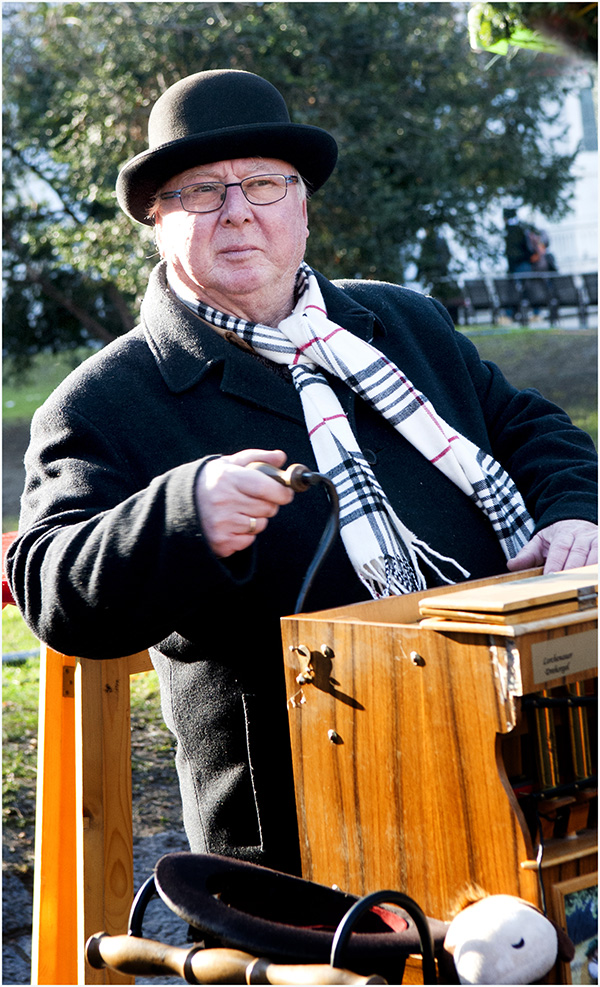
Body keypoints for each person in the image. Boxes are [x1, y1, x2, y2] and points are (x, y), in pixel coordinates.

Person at [7, 69, 597, 876]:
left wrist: (573, 510)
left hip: (523, 763)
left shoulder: (403, 323)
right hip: (302, 835)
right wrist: (183, 513)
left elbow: (534, 429)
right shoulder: (108, 399)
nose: (239, 210)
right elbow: (48, 582)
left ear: (302, 206)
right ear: (156, 219)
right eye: (202, 192)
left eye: (262, 184)